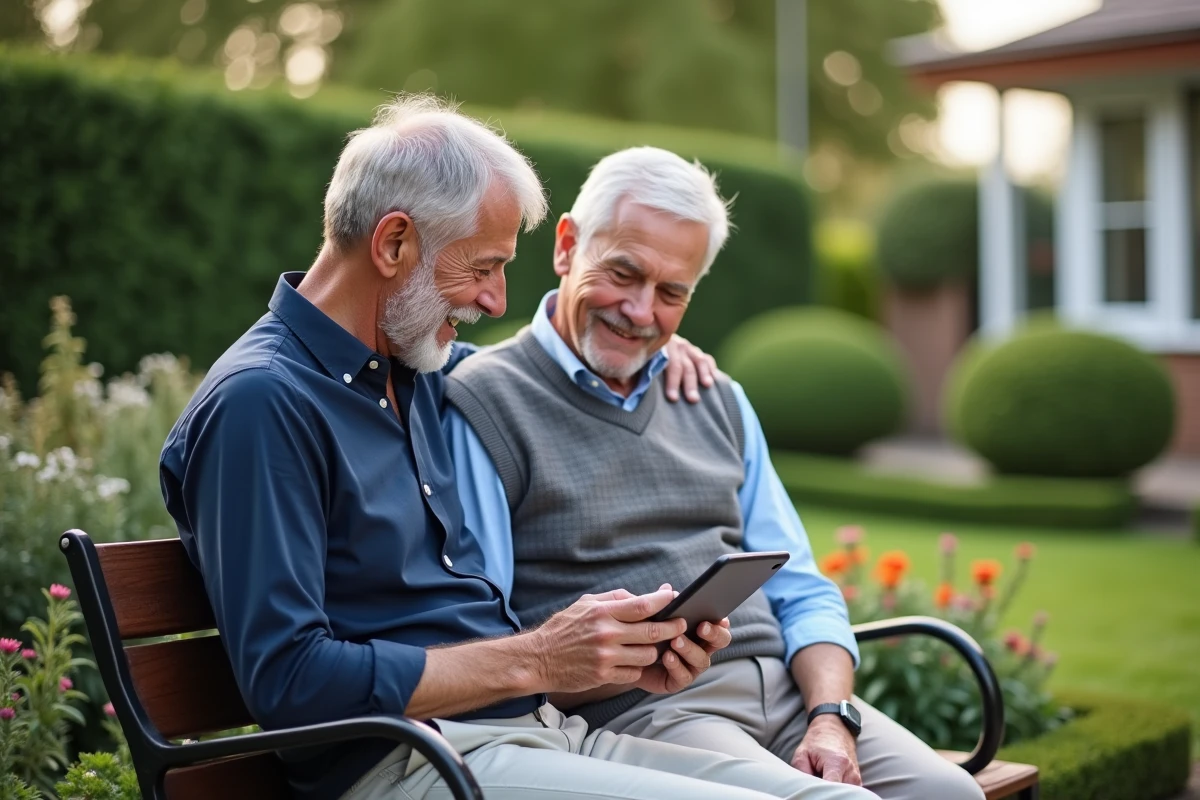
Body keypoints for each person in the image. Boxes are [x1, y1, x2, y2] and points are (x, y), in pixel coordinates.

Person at [159, 96, 876, 800]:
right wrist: (538, 658)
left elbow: (546, 362)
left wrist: (652, 345)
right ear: (394, 243)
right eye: (482, 268)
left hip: (534, 733)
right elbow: (289, 681)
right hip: (415, 761)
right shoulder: (263, 403)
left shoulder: (408, 369)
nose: (496, 300)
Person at [443, 146, 986, 800]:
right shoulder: (486, 401)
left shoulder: (716, 396)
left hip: (790, 694)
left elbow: (802, 590)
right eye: (623, 273)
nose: (641, 312)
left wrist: (831, 718)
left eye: (671, 293)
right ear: (567, 246)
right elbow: (487, 640)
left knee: (952, 795)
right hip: (650, 712)